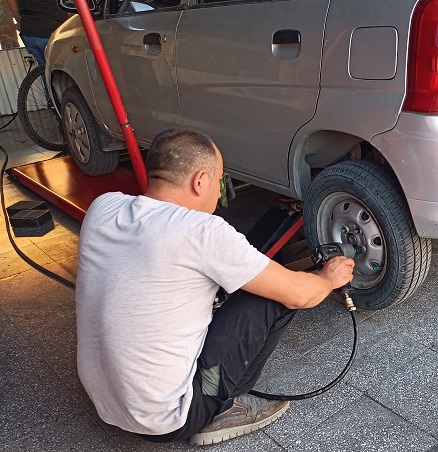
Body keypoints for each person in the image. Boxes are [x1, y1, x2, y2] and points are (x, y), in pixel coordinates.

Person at [75, 128, 355, 446]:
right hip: (169, 418)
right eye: (219, 180)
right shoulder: (201, 231)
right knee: (272, 299)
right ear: (200, 181)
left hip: (105, 400)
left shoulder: (103, 208)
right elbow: (299, 293)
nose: (220, 190)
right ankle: (223, 407)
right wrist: (327, 278)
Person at [5, 0, 69, 66]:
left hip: (29, 31)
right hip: (52, 29)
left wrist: (19, 20)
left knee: (45, 67)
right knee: (63, 67)